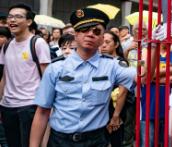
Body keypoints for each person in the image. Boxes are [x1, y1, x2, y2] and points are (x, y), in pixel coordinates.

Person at [29, 8, 137, 147]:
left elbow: (143, 78)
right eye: (84, 29)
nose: (90, 34)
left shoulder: (112, 66)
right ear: (75, 35)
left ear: (102, 38)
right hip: (60, 141)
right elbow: (43, 112)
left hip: (96, 140)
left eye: (96, 31)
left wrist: (151, 47)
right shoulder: (56, 68)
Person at [0, 3, 51, 147]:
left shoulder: (38, 43)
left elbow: (47, 77)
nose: (12, 20)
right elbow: (5, 77)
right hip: (7, 106)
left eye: (18, 17)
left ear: (29, 22)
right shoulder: (7, 45)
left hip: (30, 106)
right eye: (10, 17)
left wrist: (47, 108)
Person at [100, 31, 134, 147]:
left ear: (116, 45)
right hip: (101, 110)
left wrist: (116, 116)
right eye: (101, 42)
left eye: (107, 42)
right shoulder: (99, 61)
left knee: (116, 140)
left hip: (115, 109)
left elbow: (123, 91)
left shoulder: (121, 63)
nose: (103, 45)